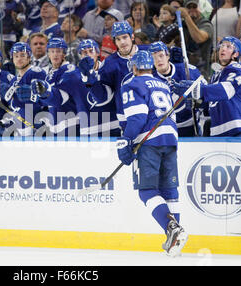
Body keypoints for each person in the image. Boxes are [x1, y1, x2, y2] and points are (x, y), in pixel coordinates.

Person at [117, 50, 187, 257]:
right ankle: (175, 239)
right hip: (170, 140)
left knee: (147, 191)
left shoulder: (132, 84)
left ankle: (172, 229)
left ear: (135, 68)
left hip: (150, 141)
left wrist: (126, 140)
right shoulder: (163, 85)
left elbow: (137, 117)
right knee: (169, 189)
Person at [175, 36, 241, 137]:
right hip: (219, 131)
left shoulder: (238, 69)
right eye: (222, 46)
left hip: (240, 129)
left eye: (228, 47)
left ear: (235, 54)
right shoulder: (216, 76)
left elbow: (226, 90)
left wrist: (198, 90)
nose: (223, 48)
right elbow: (213, 103)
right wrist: (198, 103)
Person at [23, 37, 89, 136]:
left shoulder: (70, 71)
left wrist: (45, 92)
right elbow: (48, 102)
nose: (55, 54)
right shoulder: (50, 73)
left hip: (71, 125)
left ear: (64, 53)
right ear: (48, 54)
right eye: (52, 51)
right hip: (56, 127)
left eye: (58, 51)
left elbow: (60, 99)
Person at [79, 21, 137, 132]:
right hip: (125, 117)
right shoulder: (109, 64)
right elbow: (102, 98)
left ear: (132, 37)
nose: (122, 42)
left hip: (152, 113)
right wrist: (90, 81)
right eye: (118, 39)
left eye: (125, 37)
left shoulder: (149, 53)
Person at [149, 41, 203, 137]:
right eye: (154, 58)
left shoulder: (189, 71)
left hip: (190, 126)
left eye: (161, 56)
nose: (158, 60)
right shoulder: (149, 79)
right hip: (164, 130)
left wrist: (197, 102)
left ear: (168, 56)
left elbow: (205, 94)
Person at [1, 42, 47, 136]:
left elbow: (45, 99)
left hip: (35, 124)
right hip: (19, 125)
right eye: (16, 56)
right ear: (12, 59)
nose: (19, 59)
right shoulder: (14, 79)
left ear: (29, 57)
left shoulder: (36, 72)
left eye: (22, 55)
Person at [78, 39, 120, 136]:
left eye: (91, 51)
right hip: (89, 131)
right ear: (80, 56)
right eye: (84, 52)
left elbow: (101, 98)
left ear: (97, 53)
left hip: (113, 126)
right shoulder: (75, 76)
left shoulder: (108, 70)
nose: (88, 55)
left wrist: (90, 76)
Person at [178, 0, 213, 79]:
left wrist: (186, 17)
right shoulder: (183, 25)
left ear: (200, 9)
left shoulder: (206, 24)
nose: (191, 9)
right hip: (184, 70)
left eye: (194, 7)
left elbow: (199, 38)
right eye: (189, 7)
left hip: (201, 72)